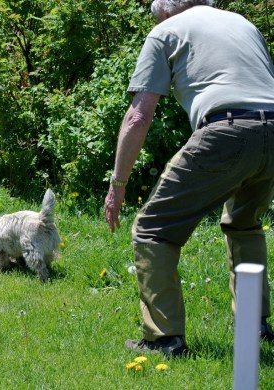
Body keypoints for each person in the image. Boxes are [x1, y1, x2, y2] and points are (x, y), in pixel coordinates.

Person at [104, 0, 274, 358]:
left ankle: (164, 340)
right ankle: (255, 327)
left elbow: (138, 116)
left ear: (165, 10)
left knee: (153, 229)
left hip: (226, 130)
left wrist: (117, 186)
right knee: (244, 224)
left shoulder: (165, 31)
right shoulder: (243, 25)